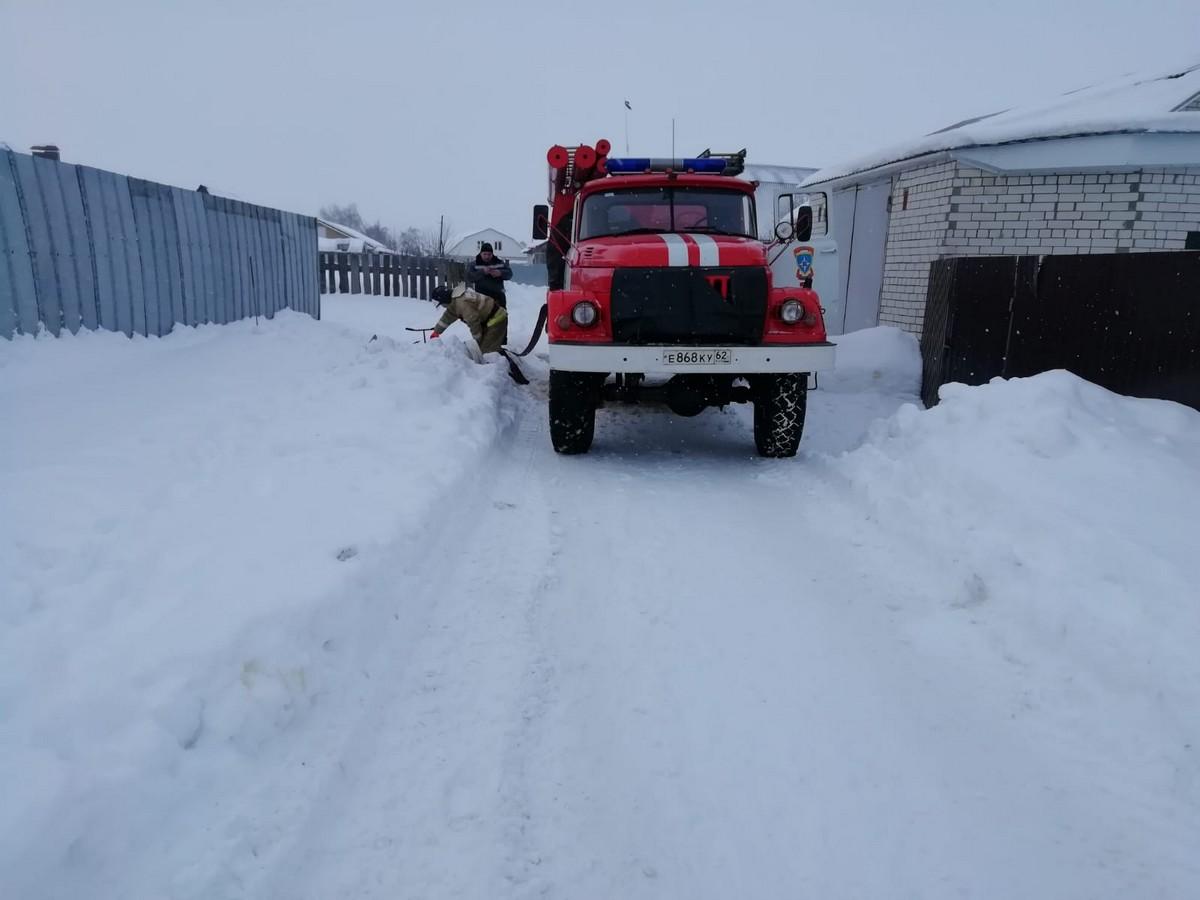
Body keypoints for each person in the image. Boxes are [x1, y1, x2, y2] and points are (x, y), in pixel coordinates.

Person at [429, 282, 508, 355]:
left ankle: (501, 366)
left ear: (445, 300)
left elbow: (473, 323)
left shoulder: (462, 303)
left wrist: (478, 340)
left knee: (488, 352)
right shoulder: (454, 301)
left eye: (442, 304)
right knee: (485, 349)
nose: (442, 306)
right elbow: (447, 317)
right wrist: (437, 331)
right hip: (488, 321)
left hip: (496, 319)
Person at [467, 242, 512, 308]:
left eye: (489, 254)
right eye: (484, 254)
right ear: (480, 253)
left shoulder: (499, 262)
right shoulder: (474, 264)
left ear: (492, 254)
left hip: (498, 299)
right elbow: (470, 277)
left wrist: (500, 273)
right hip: (481, 299)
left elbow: (509, 274)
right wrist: (482, 272)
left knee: (500, 317)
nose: (487, 256)